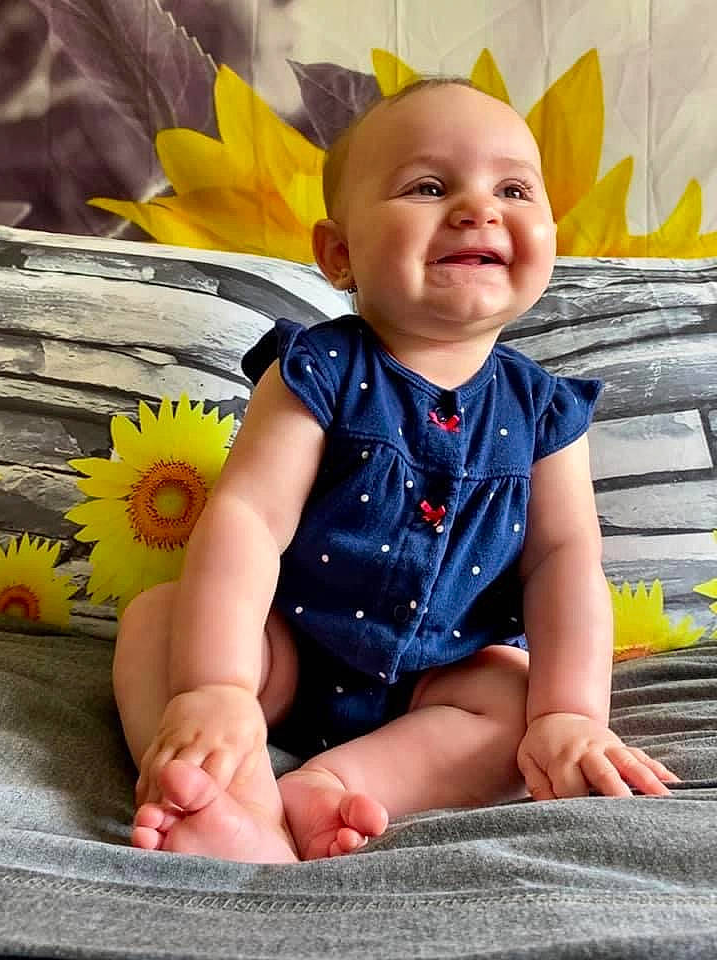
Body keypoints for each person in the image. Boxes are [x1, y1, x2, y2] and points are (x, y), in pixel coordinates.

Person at [112, 78, 679, 864]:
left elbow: (564, 561)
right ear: (339, 253)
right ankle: (212, 781)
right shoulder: (319, 370)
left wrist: (572, 713)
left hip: (436, 682)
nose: (479, 208)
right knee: (156, 621)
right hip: (283, 649)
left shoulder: (543, 410)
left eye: (513, 187)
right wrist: (217, 684)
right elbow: (245, 517)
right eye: (429, 186)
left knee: (519, 705)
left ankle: (329, 785)